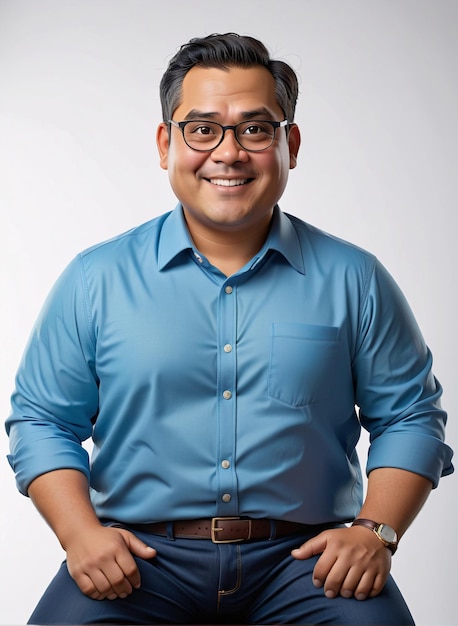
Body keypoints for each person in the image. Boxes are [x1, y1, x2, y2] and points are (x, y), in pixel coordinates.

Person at [5, 33, 453, 625]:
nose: (228, 152)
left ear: (289, 143)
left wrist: (374, 531)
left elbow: (409, 417)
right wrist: (80, 534)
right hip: (139, 560)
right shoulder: (96, 279)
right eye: (202, 128)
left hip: (306, 563)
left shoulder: (356, 278)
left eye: (255, 128)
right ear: (166, 142)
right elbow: (43, 420)